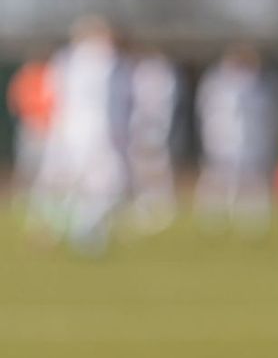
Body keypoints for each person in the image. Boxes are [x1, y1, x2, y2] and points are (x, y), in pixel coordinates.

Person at [31, 16, 133, 254]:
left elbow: (52, 94)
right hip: (92, 131)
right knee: (108, 183)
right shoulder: (102, 58)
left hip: (67, 129)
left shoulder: (64, 59)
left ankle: (63, 227)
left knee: (68, 184)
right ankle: (80, 229)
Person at [195, 43, 278, 235]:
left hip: (251, 140)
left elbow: (268, 114)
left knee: (252, 180)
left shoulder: (260, 83)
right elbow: (206, 110)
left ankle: (251, 221)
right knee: (217, 178)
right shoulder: (217, 81)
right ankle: (212, 218)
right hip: (221, 138)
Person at [127, 45, 179, 232]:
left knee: (157, 170)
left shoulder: (164, 80)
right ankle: (143, 206)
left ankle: (163, 206)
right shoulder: (138, 77)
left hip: (154, 129)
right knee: (140, 171)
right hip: (138, 129)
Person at [6, 51, 55, 202]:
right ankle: (22, 196)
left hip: (50, 128)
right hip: (32, 125)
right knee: (28, 165)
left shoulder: (51, 75)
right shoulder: (25, 77)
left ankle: (42, 197)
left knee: (48, 167)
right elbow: (15, 103)